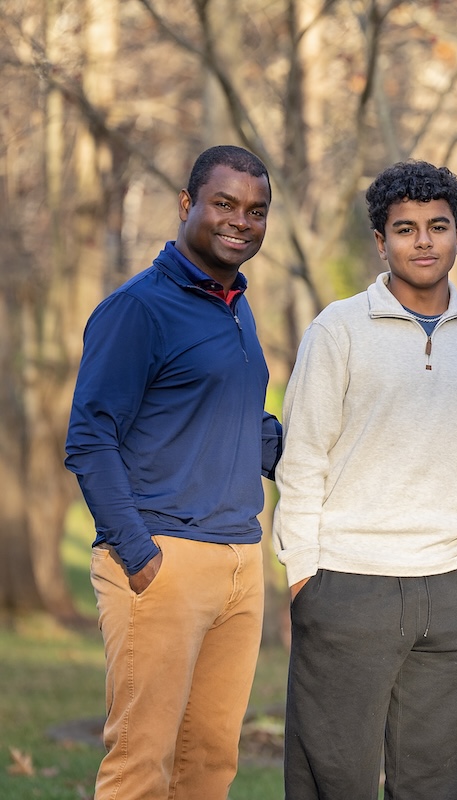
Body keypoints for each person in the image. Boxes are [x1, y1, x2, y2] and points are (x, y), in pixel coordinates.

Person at [273, 160, 457, 800]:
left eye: (439, 226)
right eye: (406, 229)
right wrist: (304, 575)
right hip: (347, 581)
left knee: (444, 785)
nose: (424, 242)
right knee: (333, 783)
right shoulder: (338, 330)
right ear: (381, 243)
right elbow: (303, 459)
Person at [65, 145, 279, 799]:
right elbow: (90, 439)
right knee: (141, 767)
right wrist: (138, 555)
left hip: (240, 561)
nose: (241, 221)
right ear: (187, 204)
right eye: (225, 204)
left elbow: (242, 422)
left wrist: (332, 453)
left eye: (256, 210)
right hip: (163, 560)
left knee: (209, 767)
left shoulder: (235, 305)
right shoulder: (138, 308)